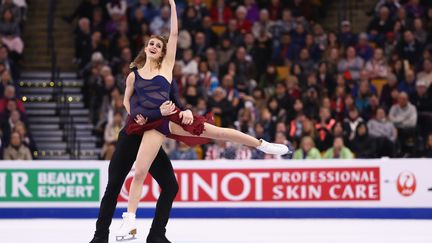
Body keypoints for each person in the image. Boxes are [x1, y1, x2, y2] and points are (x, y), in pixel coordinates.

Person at [116, 0, 293, 240]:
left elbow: (175, 33)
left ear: (163, 51)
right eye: (152, 43)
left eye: (159, 44)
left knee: (218, 132)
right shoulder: (133, 76)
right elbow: (127, 101)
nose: (155, 46)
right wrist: (134, 113)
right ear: (146, 48)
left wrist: (172, 4)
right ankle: (129, 223)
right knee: (139, 172)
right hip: (150, 125)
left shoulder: (166, 67)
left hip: (172, 117)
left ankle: (263, 145)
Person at [89, 97, 184, 243]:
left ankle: (157, 235)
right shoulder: (138, 79)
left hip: (150, 139)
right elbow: (131, 106)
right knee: (113, 187)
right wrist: (152, 114)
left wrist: (187, 111)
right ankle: (100, 237)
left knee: (171, 186)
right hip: (131, 136)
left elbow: (176, 106)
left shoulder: (166, 82)